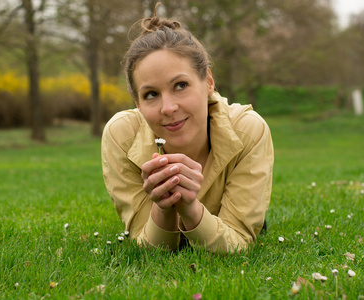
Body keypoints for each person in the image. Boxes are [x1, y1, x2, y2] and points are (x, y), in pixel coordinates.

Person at [101, 5, 273, 253]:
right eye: (151, 94)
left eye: (181, 85)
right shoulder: (121, 136)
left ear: (209, 82)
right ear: (137, 104)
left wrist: (191, 209)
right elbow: (145, 247)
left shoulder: (248, 130)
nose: (168, 108)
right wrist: (162, 206)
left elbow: (238, 242)